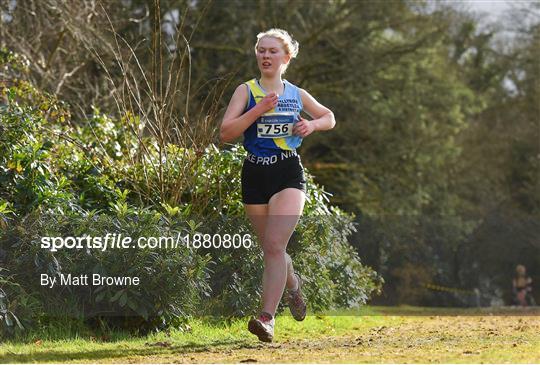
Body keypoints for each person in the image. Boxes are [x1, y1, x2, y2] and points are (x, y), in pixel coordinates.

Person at [220, 28, 335, 342]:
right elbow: (226, 132)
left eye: (272, 51)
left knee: (273, 245)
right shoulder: (246, 91)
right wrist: (258, 110)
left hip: (287, 173)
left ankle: (266, 319)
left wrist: (311, 124)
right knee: (272, 249)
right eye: (261, 50)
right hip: (254, 175)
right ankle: (293, 284)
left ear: (286, 58)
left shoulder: (296, 93)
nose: (265, 56)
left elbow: (329, 117)